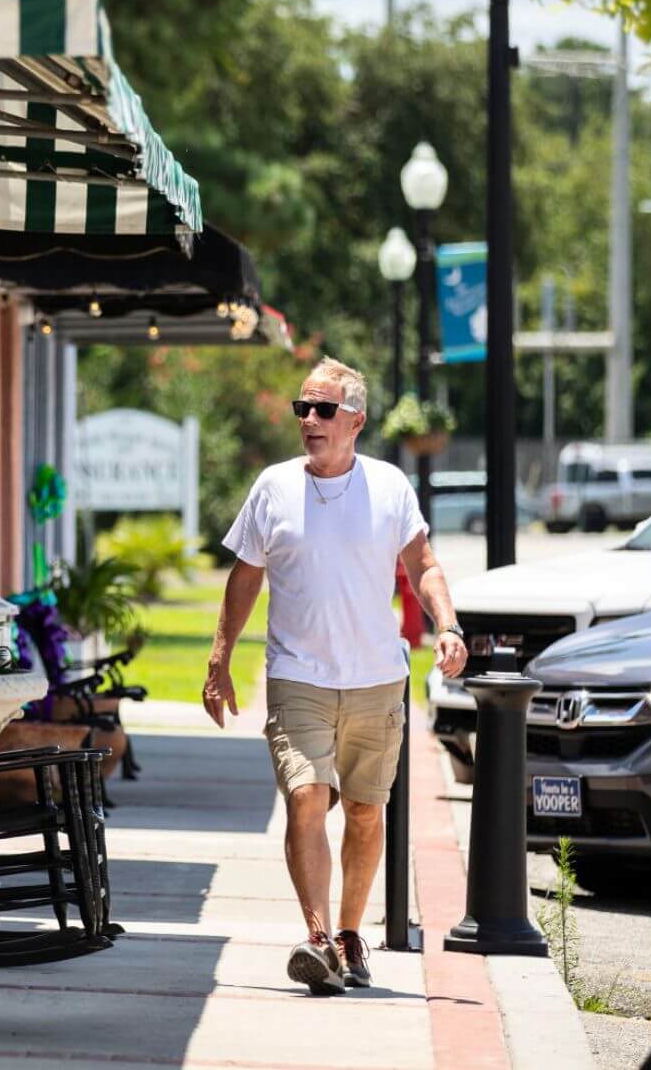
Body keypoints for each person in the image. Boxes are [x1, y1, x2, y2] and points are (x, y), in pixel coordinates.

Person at [202, 356, 467, 996]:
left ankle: (349, 934)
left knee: (366, 812)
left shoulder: (389, 487)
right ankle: (317, 938)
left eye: (324, 409)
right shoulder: (273, 487)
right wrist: (219, 658)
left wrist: (448, 624)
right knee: (307, 797)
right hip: (298, 676)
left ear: (356, 421)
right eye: (303, 408)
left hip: (376, 678)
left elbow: (423, 564)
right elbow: (245, 576)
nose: (310, 420)